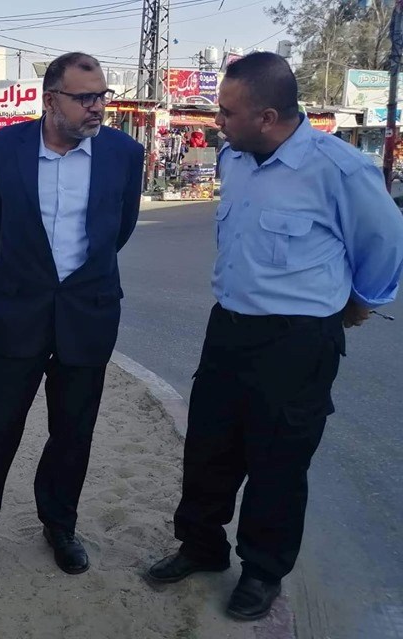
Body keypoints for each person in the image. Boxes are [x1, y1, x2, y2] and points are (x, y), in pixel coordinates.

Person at [145, 53, 403, 621]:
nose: (217, 122)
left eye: (227, 112)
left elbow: (385, 243)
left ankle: (262, 572)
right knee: (208, 447)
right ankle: (201, 546)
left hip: (296, 341)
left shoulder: (338, 169)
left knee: (278, 460)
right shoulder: (235, 158)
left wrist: (360, 301)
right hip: (229, 327)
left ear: (266, 117)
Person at [0, 52, 144, 575]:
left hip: (88, 312)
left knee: (73, 432)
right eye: (85, 98)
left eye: (102, 96)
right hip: (19, 310)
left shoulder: (124, 153)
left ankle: (59, 524)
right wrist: (31, 271)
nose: (97, 107)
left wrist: (76, 278)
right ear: (50, 99)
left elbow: (119, 228)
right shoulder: (4, 147)